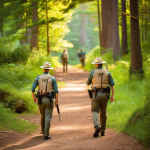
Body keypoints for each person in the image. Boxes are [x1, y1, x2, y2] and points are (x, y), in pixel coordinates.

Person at [86, 57, 114, 137]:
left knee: (95, 110)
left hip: (96, 94)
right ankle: (102, 131)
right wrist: (112, 96)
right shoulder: (107, 72)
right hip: (105, 95)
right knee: (103, 112)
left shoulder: (92, 72)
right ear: (102, 64)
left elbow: (88, 83)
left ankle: (97, 125)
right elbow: (112, 85)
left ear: (96, 64)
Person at [31, 62, 59, 140]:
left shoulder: (38, 78)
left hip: (40, 100)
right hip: (49, 100)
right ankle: (46, 135)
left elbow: (33, 89)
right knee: (48, 116)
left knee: (43, 115)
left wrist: (34, 97)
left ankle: (43, 131)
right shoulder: (52, 78)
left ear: (43, 68)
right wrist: (56, 100)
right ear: (49, 69)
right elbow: (56, 91)